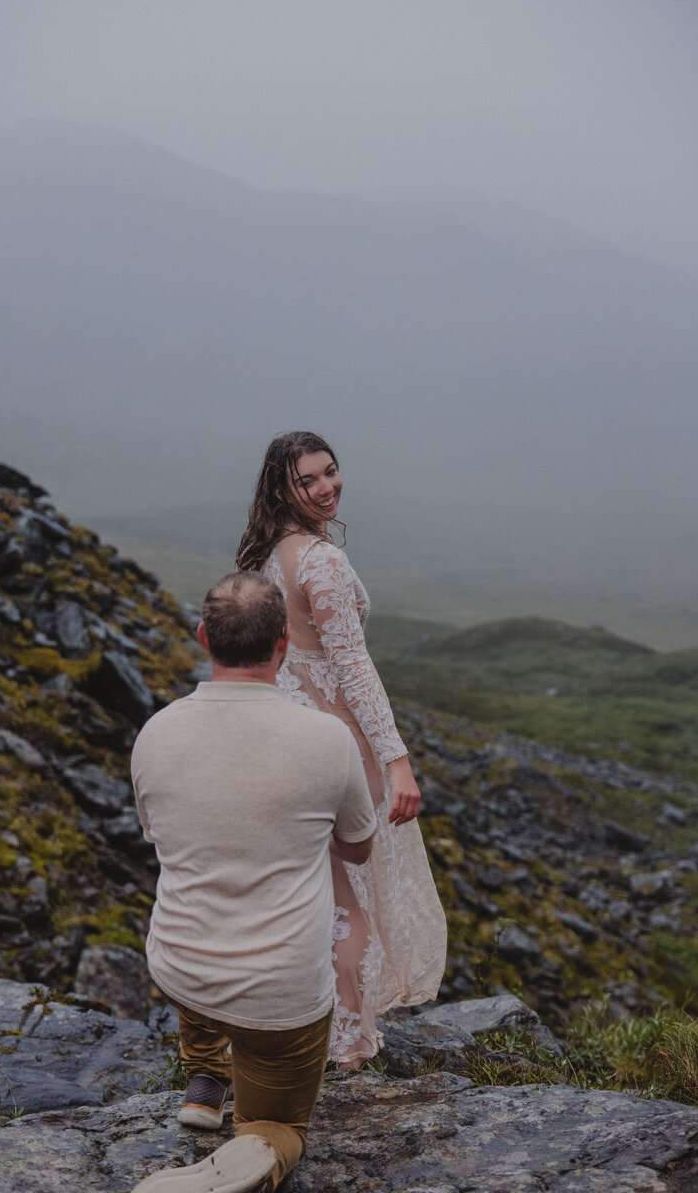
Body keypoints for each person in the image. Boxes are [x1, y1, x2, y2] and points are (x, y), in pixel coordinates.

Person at [130, 571, 376, 1193]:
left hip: (183, 966)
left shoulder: (155, 732)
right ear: (285, 644)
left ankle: (204, 1080)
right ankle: (255, 1151)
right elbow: (359, 845)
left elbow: (160, 836)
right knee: (278, 1120)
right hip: (281, 993)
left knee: (206, 902)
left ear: (204, 637)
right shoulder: (328, 739)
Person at [236, 431, 447, 1069]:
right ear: (284, 488)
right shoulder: (321, 562)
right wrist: (397, 759)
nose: (328, 487)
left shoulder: (270, 556)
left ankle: (315, 1028)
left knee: (316, 892)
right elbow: (354, 668)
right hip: (337, 746)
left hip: (284, 739)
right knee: (347, 897)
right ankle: (349, 1042)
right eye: (310, 481)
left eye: (332, 473)